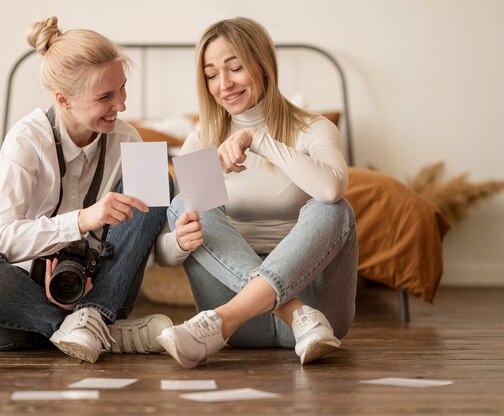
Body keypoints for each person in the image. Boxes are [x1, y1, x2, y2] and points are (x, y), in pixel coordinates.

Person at [0, 16, 173, 364]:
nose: (122, 105)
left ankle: (92, 320)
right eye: (106, 96)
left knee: (159, 175)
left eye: (122, 88)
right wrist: (80, 221)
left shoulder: (127, 140)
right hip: (16, 313)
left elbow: (143, 243)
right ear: (64, 100)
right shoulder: (26, 141)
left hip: (99, 294)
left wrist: (180, 239)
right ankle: (90, 331)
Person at [153, 17, 358, 369]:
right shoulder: (202, 141)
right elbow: (162, 256)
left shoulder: (313, 128)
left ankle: (223, 320)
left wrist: (259, 141)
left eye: (235, 68)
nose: (224, 84)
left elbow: (332, 187)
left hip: (319, 316)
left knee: (335, 208)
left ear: (263, 66)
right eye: (212, 74)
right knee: (184, 203)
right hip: (254, 325)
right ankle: (287, 312)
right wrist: (179, 243)